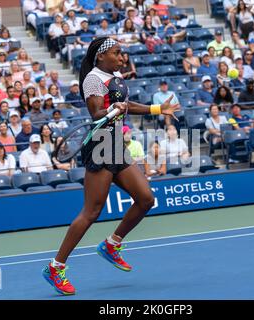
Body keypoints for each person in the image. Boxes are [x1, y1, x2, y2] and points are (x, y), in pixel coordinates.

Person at [42, 37, 179, 296]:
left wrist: (158, 108)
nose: (121, 57)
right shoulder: (93, 79)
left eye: (121, 53)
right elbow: (96, 113)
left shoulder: (115, 75)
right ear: (101, 56)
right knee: (91, 212)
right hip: (101, 145)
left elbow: (126, 107)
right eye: (116, 53)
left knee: (146, 199)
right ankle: (55, 266)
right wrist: (111, 108)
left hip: (117, 145)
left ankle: (112, 244)